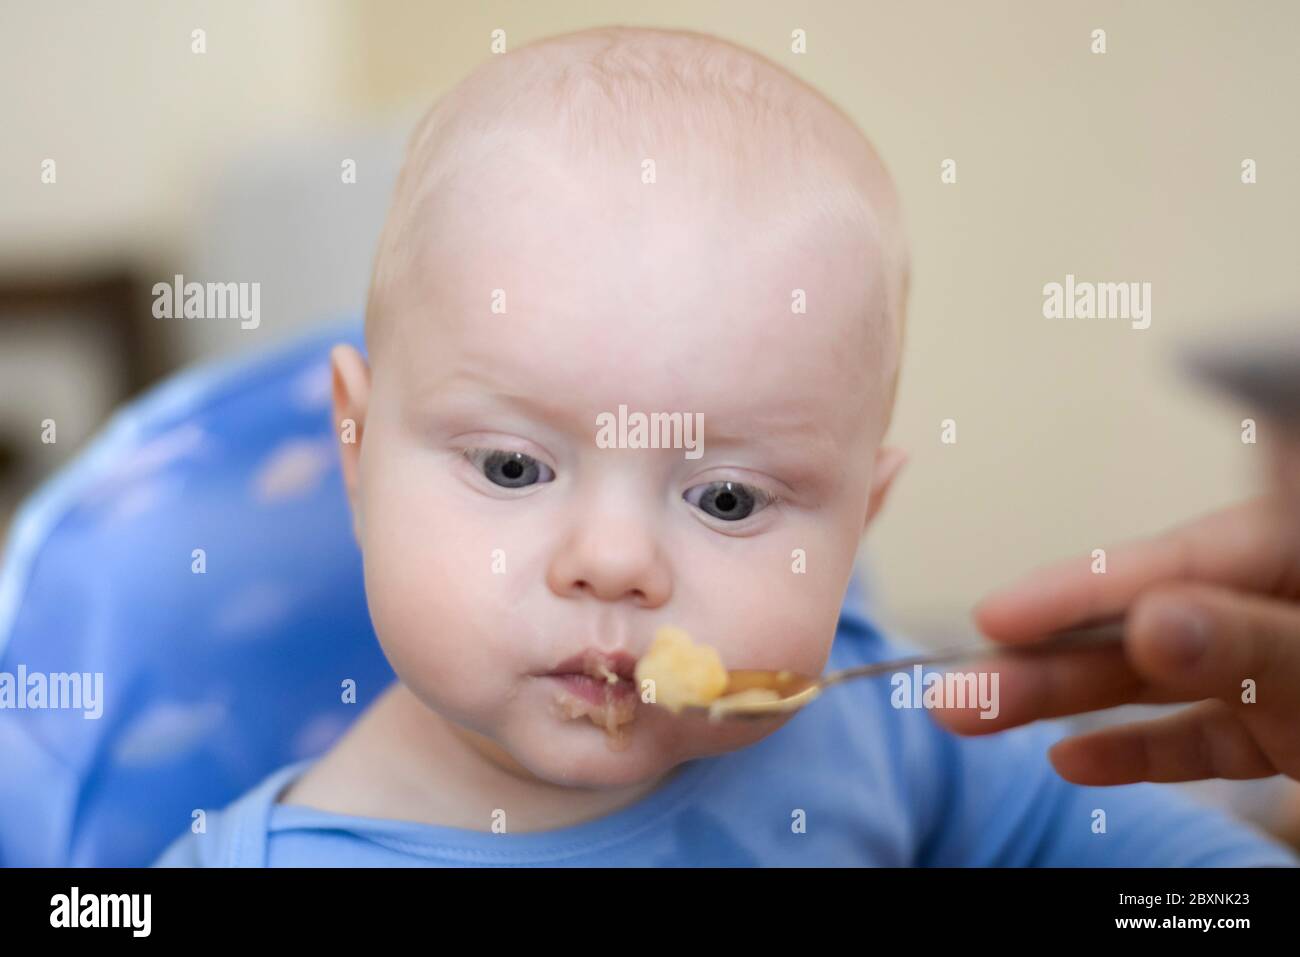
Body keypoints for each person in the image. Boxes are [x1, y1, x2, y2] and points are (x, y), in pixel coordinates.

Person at [154, 26, 1295, 867]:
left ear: (858, 526)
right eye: (512, 467)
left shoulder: (872, 721)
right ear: (355, 452)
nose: (613, 562)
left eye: (730, 501)